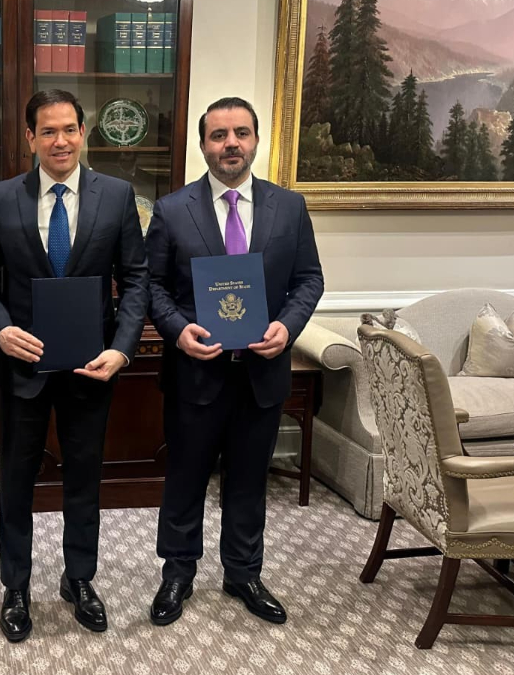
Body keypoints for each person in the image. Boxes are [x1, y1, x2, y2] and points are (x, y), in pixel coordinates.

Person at [144, 97, 324, 627]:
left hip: (261, 372)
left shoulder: (289, 207)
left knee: (249, 479)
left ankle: (243, 572)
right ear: (203, 144)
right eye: (219, 135)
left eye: (241, 133)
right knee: (185, 478)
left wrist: (287, 327)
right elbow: (151, 285)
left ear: (255, 140)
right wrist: (178, 331)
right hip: (195, 371)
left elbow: (309, 279)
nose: (231, 144)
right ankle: (177, 573)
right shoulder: (172, 209)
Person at [0, 89, 149, 641]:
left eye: (70, 130)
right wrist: (0, 330)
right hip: (22, 369)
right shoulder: (1, 198)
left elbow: (136, 278)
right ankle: (16, 587)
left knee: (84, 478)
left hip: (90, 366)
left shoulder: (117, 196)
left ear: (83, 133)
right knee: (16, 481)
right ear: (30, 137)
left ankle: (79, 579)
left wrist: (122, 348)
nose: (61, 141)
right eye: (48, 131)